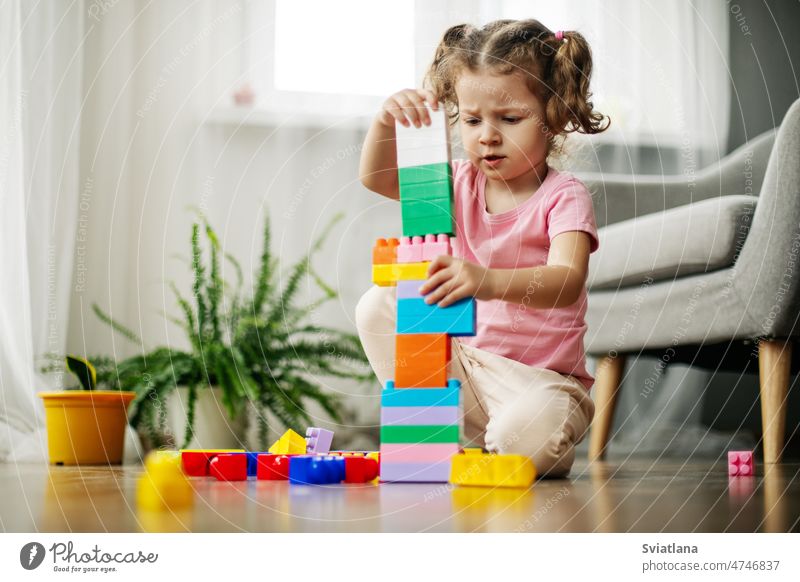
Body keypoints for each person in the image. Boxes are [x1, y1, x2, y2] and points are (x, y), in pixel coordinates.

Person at [356, 19, 610, 477]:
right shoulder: (457, 182)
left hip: (542, 381)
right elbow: (378, 179)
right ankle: (453, 437)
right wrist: (383, 122)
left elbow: (567, 282)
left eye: (509, 119)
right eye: (472, 120)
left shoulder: (564, 195)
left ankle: (526, 441)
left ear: (552, 117)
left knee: (525, 440)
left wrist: (485, 281)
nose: (486, 135)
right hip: (466, 367)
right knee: (377, 306)